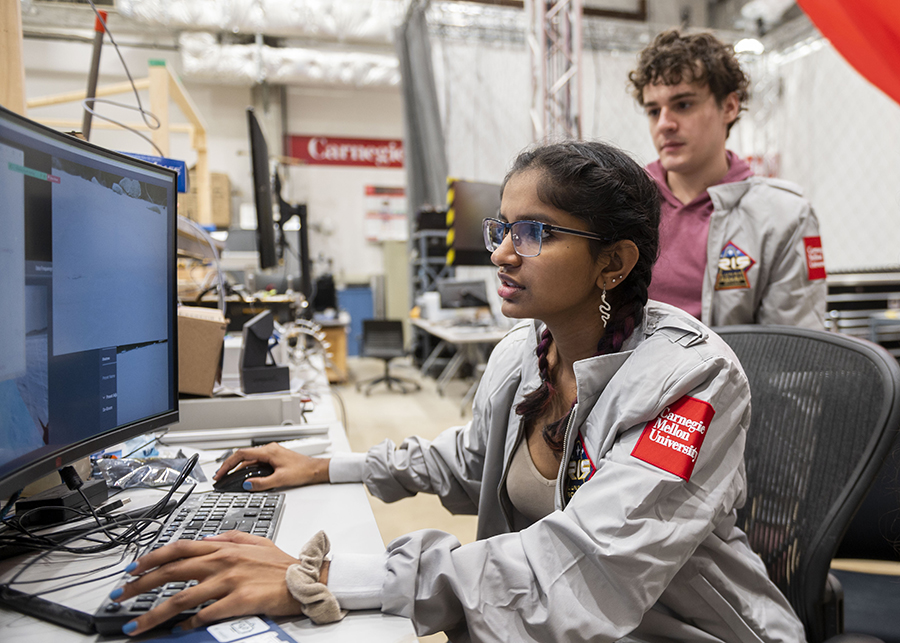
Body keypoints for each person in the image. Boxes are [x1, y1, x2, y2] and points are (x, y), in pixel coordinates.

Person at [112, 140, 804, 641]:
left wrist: (320, 574)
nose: (501, 253)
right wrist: (329, 465)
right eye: (501, 228)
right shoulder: (524, 353)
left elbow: (586, 562)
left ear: (613, 261)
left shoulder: (691, 379)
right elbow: (470, 459)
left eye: (534, 232)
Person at [629, 29, 827, 329]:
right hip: (629, 376)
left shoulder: (784, 216)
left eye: (683, 104)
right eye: (653, 111)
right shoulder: (624, 204)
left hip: (736, 376)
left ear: (730, 107)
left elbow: (791, 352)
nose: (664, 124)